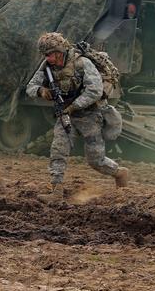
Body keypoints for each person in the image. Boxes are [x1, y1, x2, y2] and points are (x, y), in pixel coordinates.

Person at [25, 32, 129, 201]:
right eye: (45, 55)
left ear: (59, 51)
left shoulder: (82, 63)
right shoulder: (47, 67)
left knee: (95, 160)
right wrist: (42, 91)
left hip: (89, 114)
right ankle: (56, 192)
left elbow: (94, 91)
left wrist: (74, 106)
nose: (47, 58)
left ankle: (119, 173)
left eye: (49, 54)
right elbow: (30, 87)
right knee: (58, 150)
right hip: (65, 114)